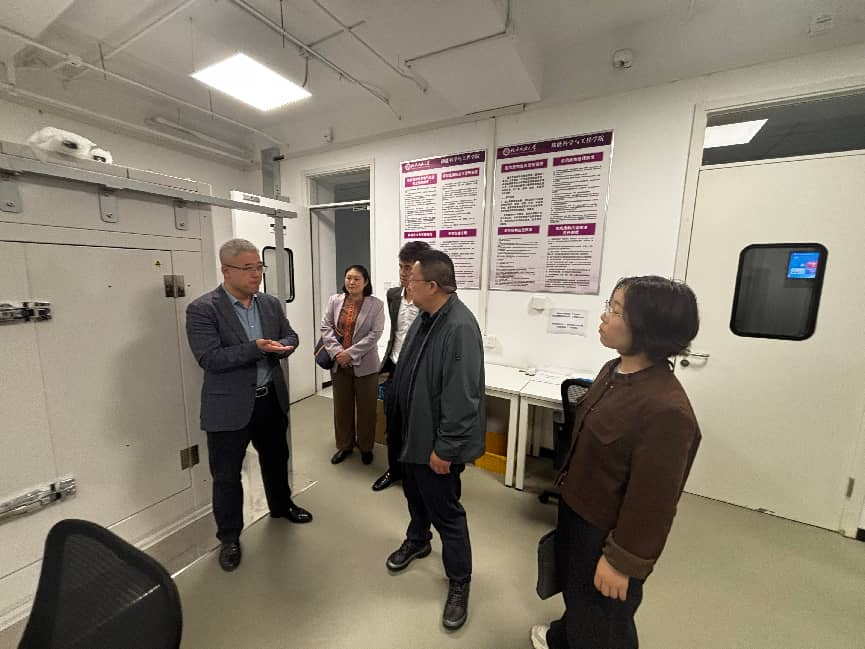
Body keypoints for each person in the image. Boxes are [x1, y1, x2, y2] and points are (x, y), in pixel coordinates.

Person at [530, 276, 701, 649]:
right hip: (577, 510)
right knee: (577, 593)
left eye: (616, 310)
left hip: (606, 531)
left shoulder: (667, 410)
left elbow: (653, 502)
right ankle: (563, 637)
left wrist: (621, 561)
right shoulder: (613, 370)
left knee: (603, 619)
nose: (604, 316)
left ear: (646, 328)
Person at [185, 238, 313, 573]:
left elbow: (291, 335)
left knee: (276, 458)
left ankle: (281, 506)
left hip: (269, 398)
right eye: (248, 268)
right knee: (227, 475)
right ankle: (229, 537)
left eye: (259, 267)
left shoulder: (269, 304)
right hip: (228, 408)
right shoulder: (203, 309)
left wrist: (285, 346)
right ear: (226, 270)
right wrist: (257, 348)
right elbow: (209, 358)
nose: (256, 274)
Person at [384, 249, 485, 631]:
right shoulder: (426, 318)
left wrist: (446, 447)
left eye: (412, 279)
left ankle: (459, 581)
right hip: (412, 436)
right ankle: (418, 539)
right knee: (414, 495)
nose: (405, 284)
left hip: (435, 445)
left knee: (447, 513)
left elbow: (462, 396)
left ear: (432, 285)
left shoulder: (458, 327)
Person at [372, 240, 432, 492]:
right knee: (393, 423)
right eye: (401, 267)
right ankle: (394, 469)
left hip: (419, 371)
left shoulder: (430, 299)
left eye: (408, 268)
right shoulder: (393, 295)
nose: (403, 273)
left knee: (416, 425)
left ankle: (415, 474)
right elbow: (396, 331)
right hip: (395, 367)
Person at [320, 264, 385, 465]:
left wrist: (350, 353)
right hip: (339, 365)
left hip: (366, 366)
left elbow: (375, 334)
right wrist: (337, 353)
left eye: (357, 278)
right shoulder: (335, 300)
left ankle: (366, 447)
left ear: (366, 282)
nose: (352, 282)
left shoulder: (376, 304)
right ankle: (345, 445)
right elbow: (326, 327)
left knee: (366, 409)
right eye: (348, 277)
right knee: (342, 408)